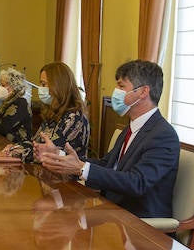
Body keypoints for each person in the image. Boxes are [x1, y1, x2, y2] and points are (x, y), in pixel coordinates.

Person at [37, 60, 179, 219]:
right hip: (111, 213)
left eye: (121, 86)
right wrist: (59, 155)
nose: (115, 92)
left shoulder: (163, 136)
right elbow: (107, 164)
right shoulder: (130, 128)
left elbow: (137, 183)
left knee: (62, 221)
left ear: (143, 92)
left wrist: (81, 169)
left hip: (141, 225)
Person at [0, 61, 88, 163]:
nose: (40, 88)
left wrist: (14, 151)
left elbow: (45, 151)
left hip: (67, 176)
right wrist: (14, 147)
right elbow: (35, 142)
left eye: (44, 84)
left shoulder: (74, 117)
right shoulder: (53, 113)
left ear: (59, 86)